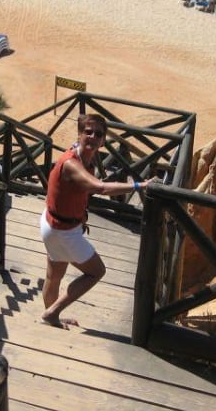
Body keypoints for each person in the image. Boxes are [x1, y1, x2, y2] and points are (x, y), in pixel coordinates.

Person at [40, 114, 153, 328]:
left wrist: (80, 217)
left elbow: (71, 193)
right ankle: (52, 313)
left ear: (103, 141)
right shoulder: (72, 164)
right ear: (80, 134)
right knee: (96, 271)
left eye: (98, 134)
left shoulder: (84, 158)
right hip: (63, 230)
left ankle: (50, 315)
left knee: (54, 275)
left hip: (52, 223)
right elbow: (99, 187)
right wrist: (140, 185)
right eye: (88, 132)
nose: (92, 136)